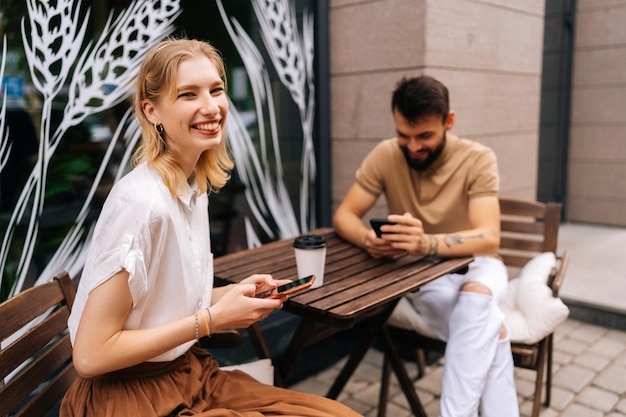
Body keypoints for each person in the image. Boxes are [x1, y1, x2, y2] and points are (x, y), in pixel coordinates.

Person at [61, 38, 362, 417]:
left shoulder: (190, 188)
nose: (211, 107)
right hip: (127, 398)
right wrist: (212, 320)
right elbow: (90, 355)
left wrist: (232, 295)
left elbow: (159, 303)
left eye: (216, 90)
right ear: (151, 111)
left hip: (189, 375)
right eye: (188, 94)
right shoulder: (142, 203)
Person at [333, 75, 519, 417]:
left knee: (476, 298)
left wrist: (425, 243)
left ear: (449, 121)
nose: (413, 146)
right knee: (491, 329)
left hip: (479, 263)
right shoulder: (386, 154)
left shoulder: (478, 158)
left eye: (425, 136)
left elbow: (489, 238)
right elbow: (345, 214)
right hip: (425, 274)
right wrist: (367, 239)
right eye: (404, 135)